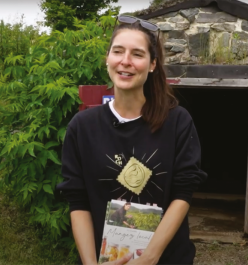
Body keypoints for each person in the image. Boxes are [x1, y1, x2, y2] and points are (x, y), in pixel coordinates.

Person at [56, 14, 207, 265]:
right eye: (118, 51)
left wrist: (148, 258)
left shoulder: (178, 122)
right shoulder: (82, 127)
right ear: (107, 59)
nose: (125, 61)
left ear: (152, 64)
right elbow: (78, 201)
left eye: (137, 54)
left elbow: (183, 194)